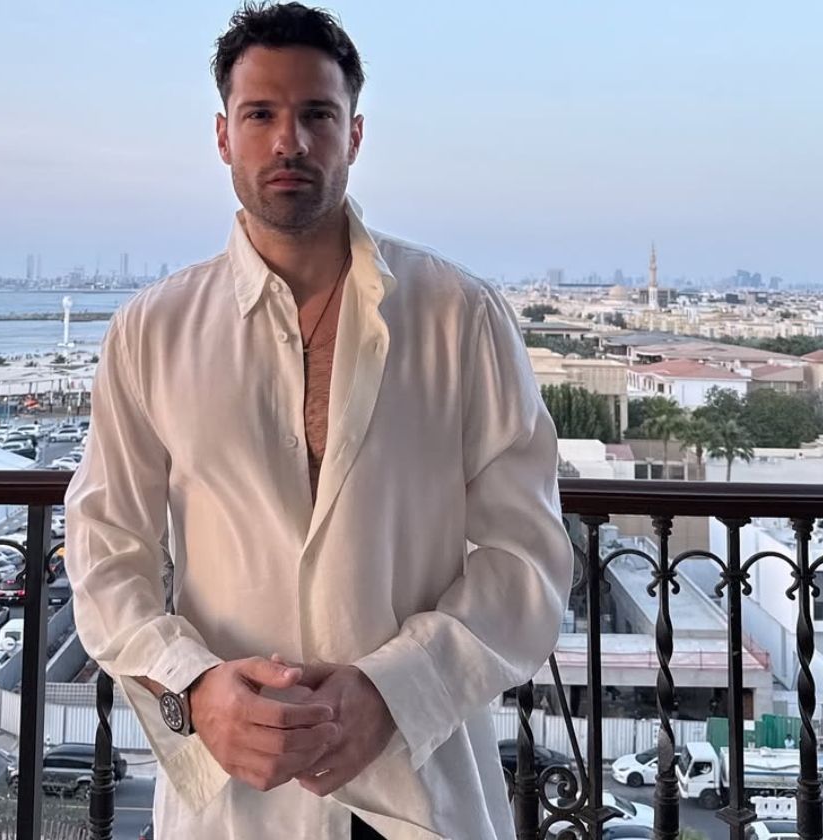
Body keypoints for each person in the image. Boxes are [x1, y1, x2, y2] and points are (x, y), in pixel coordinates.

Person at [65, 4, 572, 840]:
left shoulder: (459, 317)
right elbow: (104, 549)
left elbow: (529, 558)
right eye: (260, 114)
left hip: (414, 788)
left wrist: (395, 691)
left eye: (317, 115)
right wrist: (192, 687)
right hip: (233, 798)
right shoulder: (153, 331)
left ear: (354, 134)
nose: (289, 142)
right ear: (223, 136)